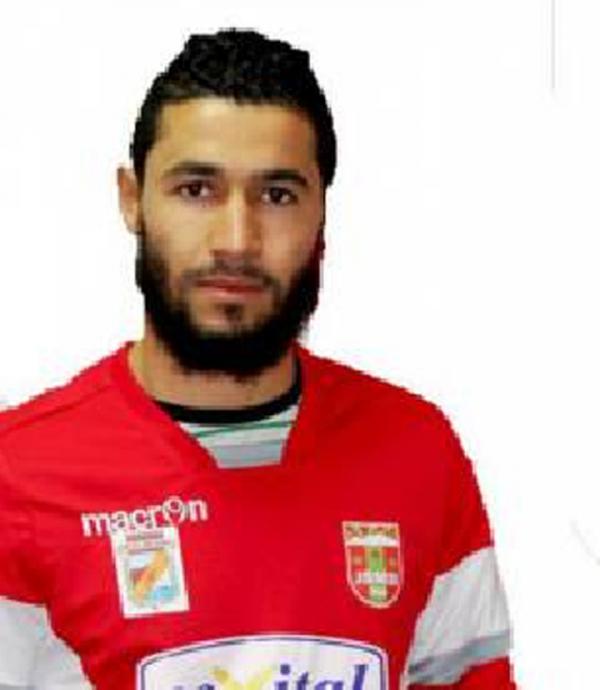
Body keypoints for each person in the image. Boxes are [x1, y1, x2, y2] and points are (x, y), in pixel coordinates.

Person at [0, 28, 518, 690]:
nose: (237, 241)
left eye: (277, 195)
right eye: (197, 189)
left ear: (321, 211)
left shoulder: (418, 451)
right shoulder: (18, 474)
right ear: (132, 199)